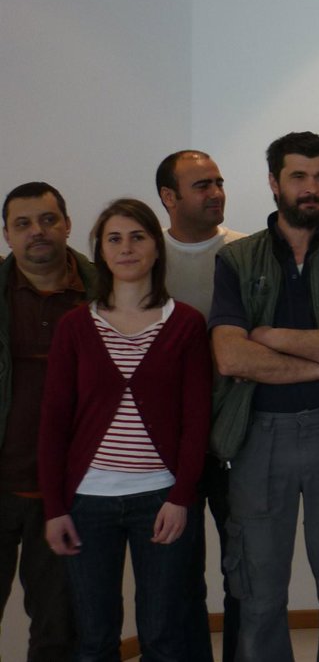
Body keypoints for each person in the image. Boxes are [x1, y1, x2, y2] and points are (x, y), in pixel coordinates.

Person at [209, 131, 319, 662]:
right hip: (257, 441)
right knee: (259, 598)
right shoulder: (236, 259)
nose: (312, 188)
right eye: (298, 176)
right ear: (274, 182)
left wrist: (269, 336)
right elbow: (230, 357)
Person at [38, 198, 212, 661]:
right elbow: (54, 421)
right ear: (101, 250)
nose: (126, 248)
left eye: (138, 237)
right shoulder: (75, 327)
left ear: (156, 247)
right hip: (88, 502)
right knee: (94, 639)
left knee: (163, 636)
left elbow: (197, 422)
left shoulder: (186, 324)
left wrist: (181, 497)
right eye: (114, 239)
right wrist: (55, 507)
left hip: (161, 499)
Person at [156, 149, 245, 661]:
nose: (216, 193)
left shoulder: (247, 252)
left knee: (244, 574)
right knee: (178, 578)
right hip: (170, 447)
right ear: (169, 197)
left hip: (240, 439)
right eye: (202, 185)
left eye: (219, 182)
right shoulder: (147, 259)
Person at [0, 182, 92, 661]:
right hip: (0, 483)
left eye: (48, 219)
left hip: (66, 493)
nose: (37, 231)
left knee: (58, 633)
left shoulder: (106, 293)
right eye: (23, 223)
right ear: (7, 235)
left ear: (67, 225)